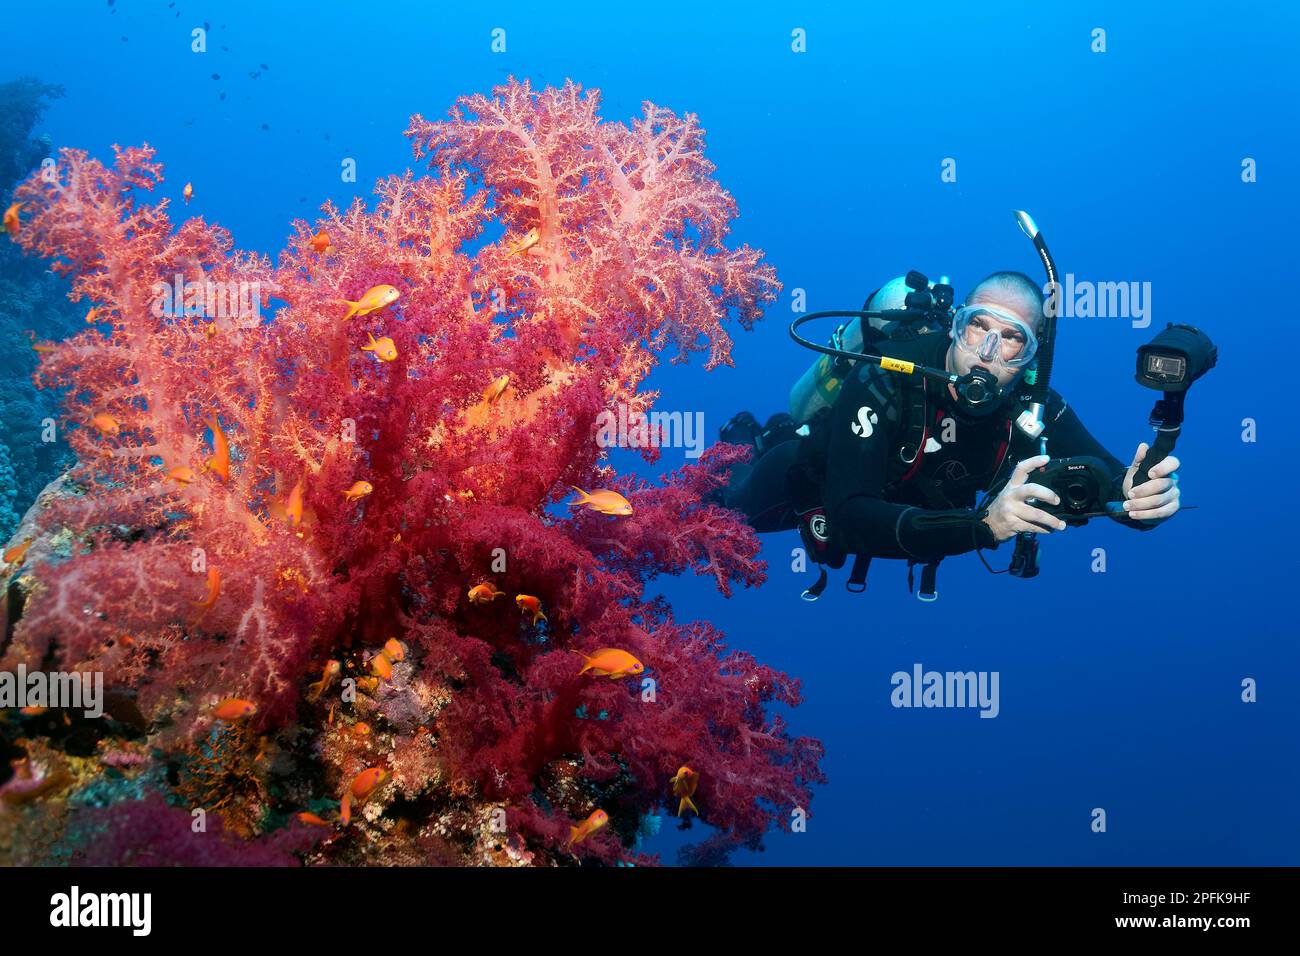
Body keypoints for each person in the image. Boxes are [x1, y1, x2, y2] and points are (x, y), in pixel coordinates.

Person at [718, 271, 1181, 589]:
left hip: (917, 517)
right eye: (977, 327)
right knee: (720, 513)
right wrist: (984, 526)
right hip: (804, 483)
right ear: (958, 326)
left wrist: (1143, 500)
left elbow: (1112, 483)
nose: (988, 352)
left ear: (1032, 357)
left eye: (1013, 338)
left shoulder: (1037, 408)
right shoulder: (883, 376)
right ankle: (747, 439)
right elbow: (849, 517)